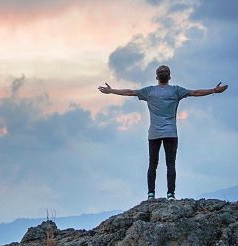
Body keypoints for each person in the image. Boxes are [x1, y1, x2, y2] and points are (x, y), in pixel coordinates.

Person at [98, 65, 228, 200]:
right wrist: (214, 90)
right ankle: (170, 194)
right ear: (169, 76)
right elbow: (196, 93)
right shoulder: (176, 91)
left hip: (154, 134)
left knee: (152, 164)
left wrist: (111, 91)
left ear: (156, 77)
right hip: (171, 133)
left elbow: (130, 92)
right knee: (170, 164)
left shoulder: (150, 91)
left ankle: (151, 194)